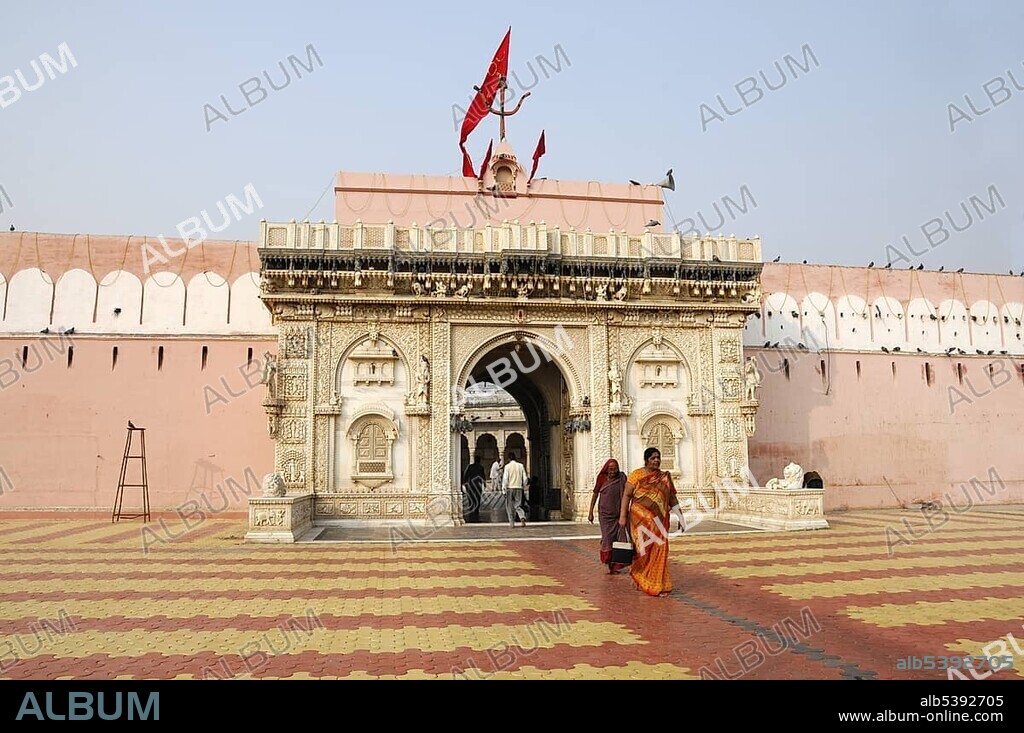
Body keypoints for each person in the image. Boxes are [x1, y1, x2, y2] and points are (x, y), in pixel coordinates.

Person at [619, 447, 684, 597]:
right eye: (653, 458)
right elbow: (627, 496)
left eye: (658, 458)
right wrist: (623, 516)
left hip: (659, 523)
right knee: (642, 550)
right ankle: (639, 575)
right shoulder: (636, 475)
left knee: (659, 550)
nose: (656, 461)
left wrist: (680, 517)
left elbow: (672, 498)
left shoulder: (665, 477)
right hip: (639, 521)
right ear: (646, 460)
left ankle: (656, 584)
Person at [588, 459, 627, 574]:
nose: (613, 472)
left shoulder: (621, 478)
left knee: (618, 538)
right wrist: (590, 512)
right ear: (606, 469)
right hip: (605, 515)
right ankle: (609, 561)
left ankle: (616, 564)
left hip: (618, 514)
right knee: (607, 538)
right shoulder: (601, 479)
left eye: (615, 469)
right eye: (610, 469)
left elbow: (628, 493)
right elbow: (595, 494)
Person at [502, 453, 528, 528]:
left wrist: (504, 490)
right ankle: (522, 517)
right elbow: (525, 478)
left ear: (509, 459)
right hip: (518, 488)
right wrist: (524, 485)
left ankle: (511, 522)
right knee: (518, 505)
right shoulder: (520, 466)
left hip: (510, 488)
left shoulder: (507, 466)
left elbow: (505, 479)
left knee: (509, 506)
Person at [462, 456, 486, 523]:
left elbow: (466, 475)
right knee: (477, 498)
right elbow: (483, 476)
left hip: (471, 485)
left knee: (471, 497)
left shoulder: (470, 467)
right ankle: (476, 510)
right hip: (478, 485)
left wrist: (464, 483)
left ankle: (472, 508)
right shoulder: (480, 467)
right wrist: (484, 484)